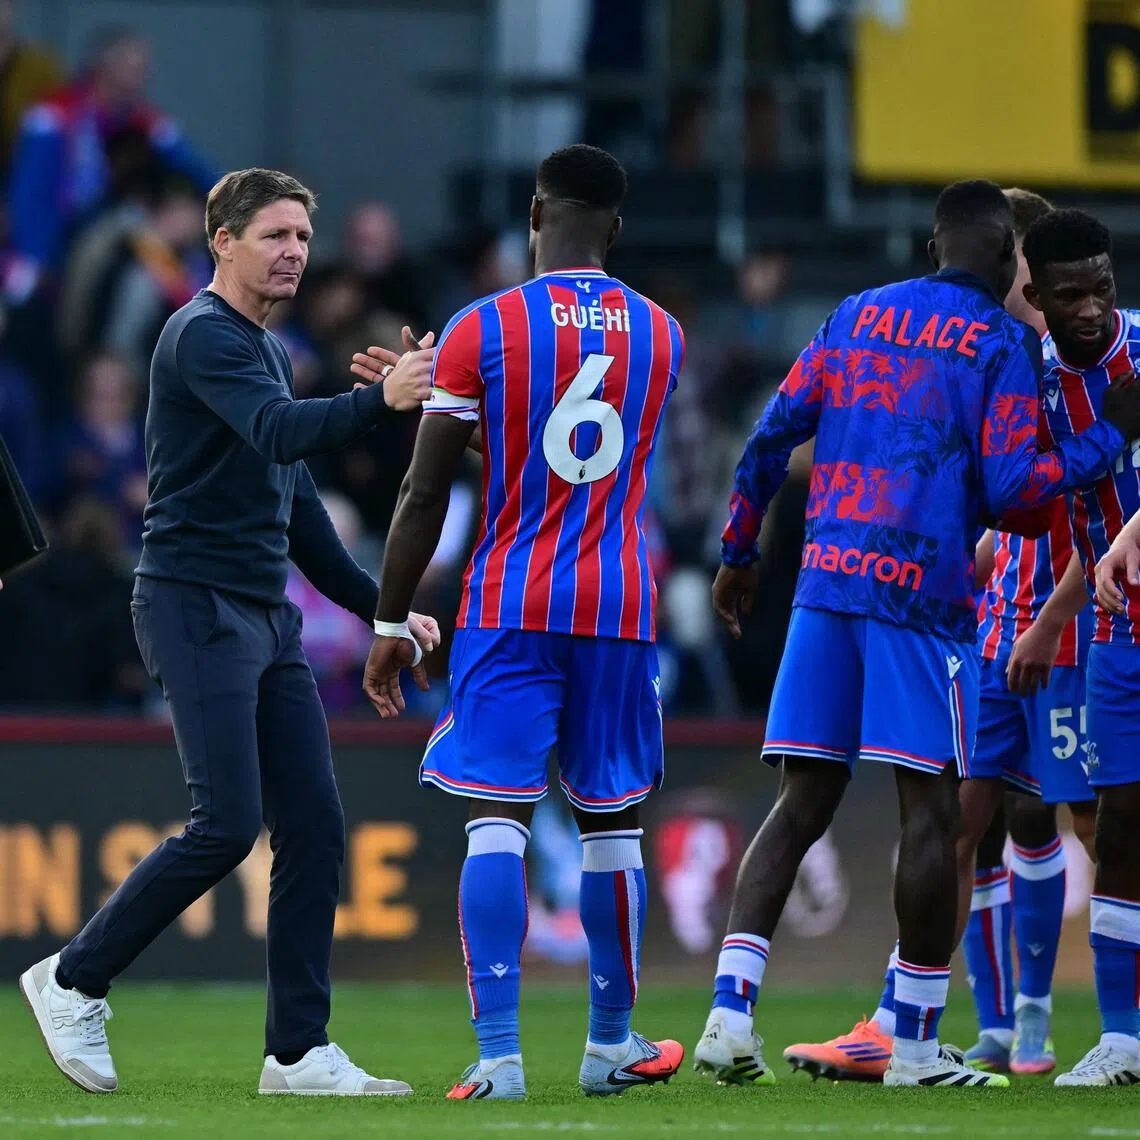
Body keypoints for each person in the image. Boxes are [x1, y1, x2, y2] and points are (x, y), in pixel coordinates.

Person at [691, 180, 1140, 1091]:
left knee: (801, 802)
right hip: (920, 602)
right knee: (934, 812)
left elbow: (770, 438)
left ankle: (728, 1017)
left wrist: (739, 552)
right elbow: (1019, 493)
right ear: (1013, 262)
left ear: (935, 241)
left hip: (823, 588)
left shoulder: (854, 315)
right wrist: (1106, 441)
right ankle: (916, 1047)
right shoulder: (1001, 343)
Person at [18, 167, 438, 1097]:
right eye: (276, 236)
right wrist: (383, 401)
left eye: (301, 237)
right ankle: (71, 977)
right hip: (191, 601)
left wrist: (381, 606)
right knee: (227, 824)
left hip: (264, 613)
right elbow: (282, 434)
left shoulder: (265, 350)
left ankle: (296, 1051)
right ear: (224, 244)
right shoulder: (200, 336)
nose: (295, 253)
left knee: (317, 826)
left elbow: (297, 516)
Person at [355, 144, 687, 1100]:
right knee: (611, 823)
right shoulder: (662, 333)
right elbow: (591, 455)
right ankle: (611, 1045)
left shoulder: (483, 325)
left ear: (535, 216)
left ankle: (499, 1058)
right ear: (615, 229)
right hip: (619, 601)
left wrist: (390, 618)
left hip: (509, 601)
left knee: (497, 820)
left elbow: (425, 490)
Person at [783, 188, 1099, 1083]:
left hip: (1074, 613)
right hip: (983, 611)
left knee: (1065, 819)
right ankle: (962, 1025)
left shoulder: (1082, 356)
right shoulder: (974, 350)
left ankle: (1045, 1027)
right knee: (963, 818)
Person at [1006, 208, 1140, 1086]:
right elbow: (1029, 500)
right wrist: (1057, 613)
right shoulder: (1029, 385)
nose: (1092, 308)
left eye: (1103, 288)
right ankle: (1123, 1038)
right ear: (1037, 301)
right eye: (1071, 295)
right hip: (1118, 631)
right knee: (1117, 830)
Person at [8, 25, 216, 270]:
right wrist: (33, 262)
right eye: (135, 68)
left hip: (125, 233)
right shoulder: (52, 119)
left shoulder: (148, 123)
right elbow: (28, 198)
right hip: (61, 247)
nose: (143, 77)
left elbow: (203, 175)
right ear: (105, 69)